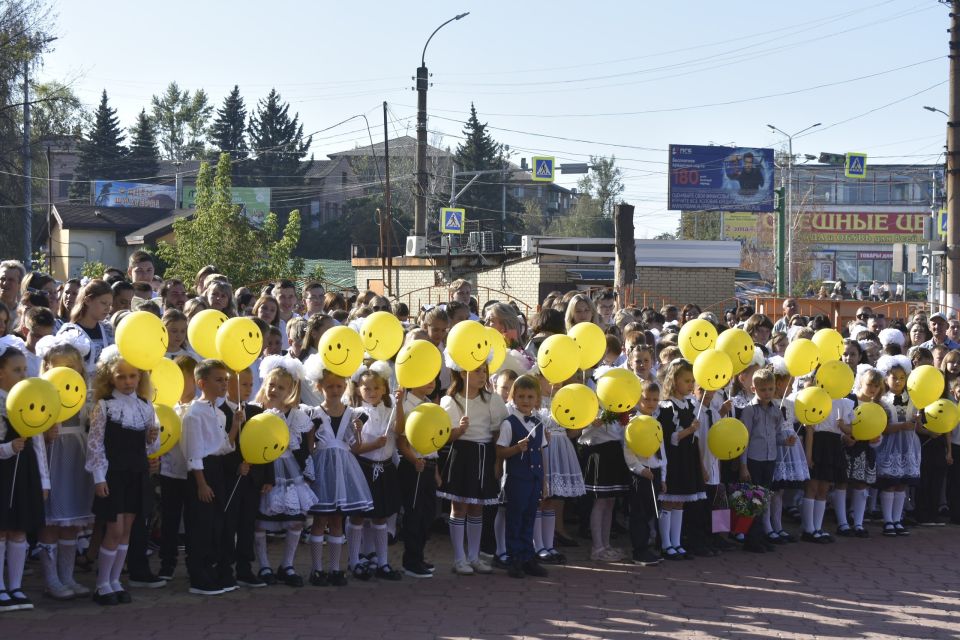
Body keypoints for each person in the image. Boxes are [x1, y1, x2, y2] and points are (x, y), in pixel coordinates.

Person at [86, 345, 159, 605]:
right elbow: (95, 444)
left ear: (140, 377)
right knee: (113, 529)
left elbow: (151, 448)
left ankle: (115, 580)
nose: (128, 381)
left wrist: (152, 438)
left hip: (137, 473)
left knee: (127, 529)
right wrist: (99, 477)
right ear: (110, 378)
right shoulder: (104, 407)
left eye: (133, 376)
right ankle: (102, 583)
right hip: (114, 475)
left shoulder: (146, 406)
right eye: (121, 376)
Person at [35, 334, 94, 601]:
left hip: (78, 455)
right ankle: (51, 580)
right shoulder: (40, 393)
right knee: (52, 520)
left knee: (72, 521)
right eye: (58, 368)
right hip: (53, 455)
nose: (65, 374)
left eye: (71, 368)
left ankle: (67, 576)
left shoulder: (85, 393)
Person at [439, 361, 508, 576]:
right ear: (462, 372)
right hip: (462, 454)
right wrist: (459, 431)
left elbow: (499, 433)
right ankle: (459, 558)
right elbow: (444, 436)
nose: (482, 375)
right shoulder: (450, 401)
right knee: (459, 507)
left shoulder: (493, 400)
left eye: (484, 371)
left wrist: (498, 462)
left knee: (478, 507)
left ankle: (474, 557)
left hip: (485, 454)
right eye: (477, 370)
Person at [253, 356, 316, 587]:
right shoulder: (255, 412)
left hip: (290, 472)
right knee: (260, 521)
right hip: (264, 470)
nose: (274, 390)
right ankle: (264, 565)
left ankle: (287, 565)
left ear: (291, 390)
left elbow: (303, 449)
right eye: (271, 385)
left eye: (281, 387)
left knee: (295, 520)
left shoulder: (297, 416)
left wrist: (308, 475)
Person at [180, 360, 238, 596]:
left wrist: (235, 425)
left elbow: (224, 446)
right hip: (201, 473)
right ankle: (199, 575)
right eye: (218, 379)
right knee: (201, 524)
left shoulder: (218, 412)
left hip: (216, 469)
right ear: (202, 383)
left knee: (217, 523)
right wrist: (201, 483)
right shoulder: (194, 413)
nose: (224, 384)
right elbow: (194, 451)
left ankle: (214, 569)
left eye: (225, 379)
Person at [0, 336, 49, 611]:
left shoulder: (29, 399)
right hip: (3, 471)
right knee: (2, 530)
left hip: (25, 469)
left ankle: (15, 586)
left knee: (19, 530)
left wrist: (44, 478)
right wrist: (8, 448)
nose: (23, 374)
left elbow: (38, 441)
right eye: (16, 370)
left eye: (24, 370)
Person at [345, 369, 403, 581]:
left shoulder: (389, 410)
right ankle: (354, 561)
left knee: (381, 516)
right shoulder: (355, 413)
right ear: (359, 390)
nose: (372, 392)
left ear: (384, 389)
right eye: (367, 388)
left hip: (385, 467)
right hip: (363, 467)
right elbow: (353, 447)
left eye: (377, 387)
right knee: (358, 515)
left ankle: (383, 562)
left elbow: (400, 428)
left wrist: (400, 404)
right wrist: (372, 445)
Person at [219, 368, 273, 589]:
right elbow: (219, 447)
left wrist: (268, 476)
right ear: (228, 384)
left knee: (247, 524)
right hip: (230, 479)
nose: (248, 389)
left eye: (251, 385)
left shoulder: (256, 411)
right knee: (228, 524)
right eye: (243, 384)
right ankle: (224, 567)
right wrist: (235, 467)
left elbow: (266, 444)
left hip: (252, 479)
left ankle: (245, 567)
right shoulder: (220, 411)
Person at [496, 375, 548, 579]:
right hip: (517, 479)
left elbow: (541, 453)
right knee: (515, 518)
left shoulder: (538, 423)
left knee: (529, 518)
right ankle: (514, 558)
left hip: (534, 478)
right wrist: (516, 448)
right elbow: (500, 451)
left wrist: (544, 481)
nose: (525, 401)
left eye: (530, 397)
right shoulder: (509, 423)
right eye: (521, 396)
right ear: (513, 398)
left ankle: (528, 557)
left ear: (537, 399)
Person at [739, 367, 793, 553]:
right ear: (754, 389)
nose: (767, 393)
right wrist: (743, 466)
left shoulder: (776, 411)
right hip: (754, 459)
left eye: (770, 389)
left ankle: (761, 536)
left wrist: (785, 441)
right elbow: (743, 440)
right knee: (752, 499)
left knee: (764, 499)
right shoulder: (749, 411)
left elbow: (776, 435)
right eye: (763, 389)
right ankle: (750, 539)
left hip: (770, 459)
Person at [657, 359, 705, 560]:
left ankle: (676, 542)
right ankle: (665, 543)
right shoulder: (667, 407)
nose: (690, 385)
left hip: (688, 457)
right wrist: (690, 430)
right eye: (686, 380)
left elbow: (695, 440)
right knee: (669, 501)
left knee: (680, 502)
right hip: (674, 459)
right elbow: (670, 438)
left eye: (692, 381)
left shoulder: (691, 404)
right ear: (674, 381)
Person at [395, 376, 440, 579]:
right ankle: (410, 561)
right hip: (414, 467)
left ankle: (419, 556)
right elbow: (401, 442)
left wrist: (436, 470)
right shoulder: (406, 404)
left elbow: (434, 441)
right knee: (414, 514)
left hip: (429, 466)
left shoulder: (429, 404)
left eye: (434, 377)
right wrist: (414, 461)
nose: (431, 381)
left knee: (428, 513)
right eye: (425, 376)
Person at [157, 356, 196, 583]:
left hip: (193, 471)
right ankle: (167, 562)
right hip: (171, 471)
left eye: (187, 377)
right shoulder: (167, 408)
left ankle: (194, 561)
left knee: (193, 520)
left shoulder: (200, 407)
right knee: (170, 519)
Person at [876, 355, 920, 537]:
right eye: (894, 377)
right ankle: (887, 521)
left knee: (902, 484)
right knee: (890, 484)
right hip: (890, 447)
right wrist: (902, 426)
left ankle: (897, 520)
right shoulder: (882, 401)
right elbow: (881, 428)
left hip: (908, 446)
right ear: (886, 378)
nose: (899, 381)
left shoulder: (913, 399)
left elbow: (918, 424)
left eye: (902, 378)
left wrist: (917, 422)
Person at [624, 380, 666, 566]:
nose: (651, 403)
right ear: (638, 400)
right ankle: (639, 551)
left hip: (655, 472)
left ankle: (649, 547)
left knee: (651, 512)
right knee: (639, 513)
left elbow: (661, 451)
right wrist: (640, 470)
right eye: (646, 399)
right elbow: (628, 453)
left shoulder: (656, 422)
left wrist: (663, 475)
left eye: (655, 400)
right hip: (640, 475)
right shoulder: (634, 424)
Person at [845, 367, 884, 537]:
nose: (873, 389)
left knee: (862, 485)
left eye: (876, 386)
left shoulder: (876, 406)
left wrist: (877, 439)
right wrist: (844, 437)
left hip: (866, 451)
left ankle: (858, 523)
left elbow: (878, 429)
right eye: (869, 384)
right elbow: (841, 423)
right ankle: (843, 522)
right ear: (861, 382)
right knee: (842, 483)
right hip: (848, 448)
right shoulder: (850, 401)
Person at [58, 280, 114, 373]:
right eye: (103, 303)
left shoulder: (107, 329)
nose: (107, 308)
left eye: (110, 305)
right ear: (87, 301)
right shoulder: (71, 333)